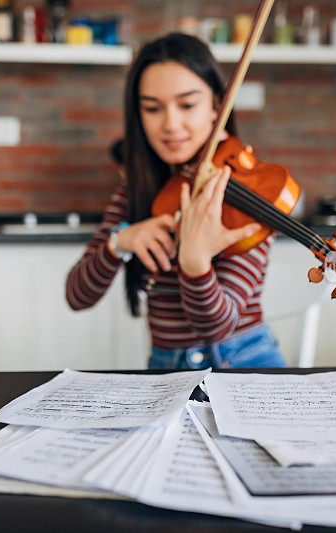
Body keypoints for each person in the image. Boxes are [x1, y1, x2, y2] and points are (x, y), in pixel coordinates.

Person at [66, 33, 287, 370]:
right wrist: (120, 242)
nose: (170, 124)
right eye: (152, 108)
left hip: (245, 364)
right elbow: (77, 295)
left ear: (216, 106)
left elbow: (217, 325)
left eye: (187, 105)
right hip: (164, 369)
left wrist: (195, 262)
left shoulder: (248, 187)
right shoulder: (135, 187)